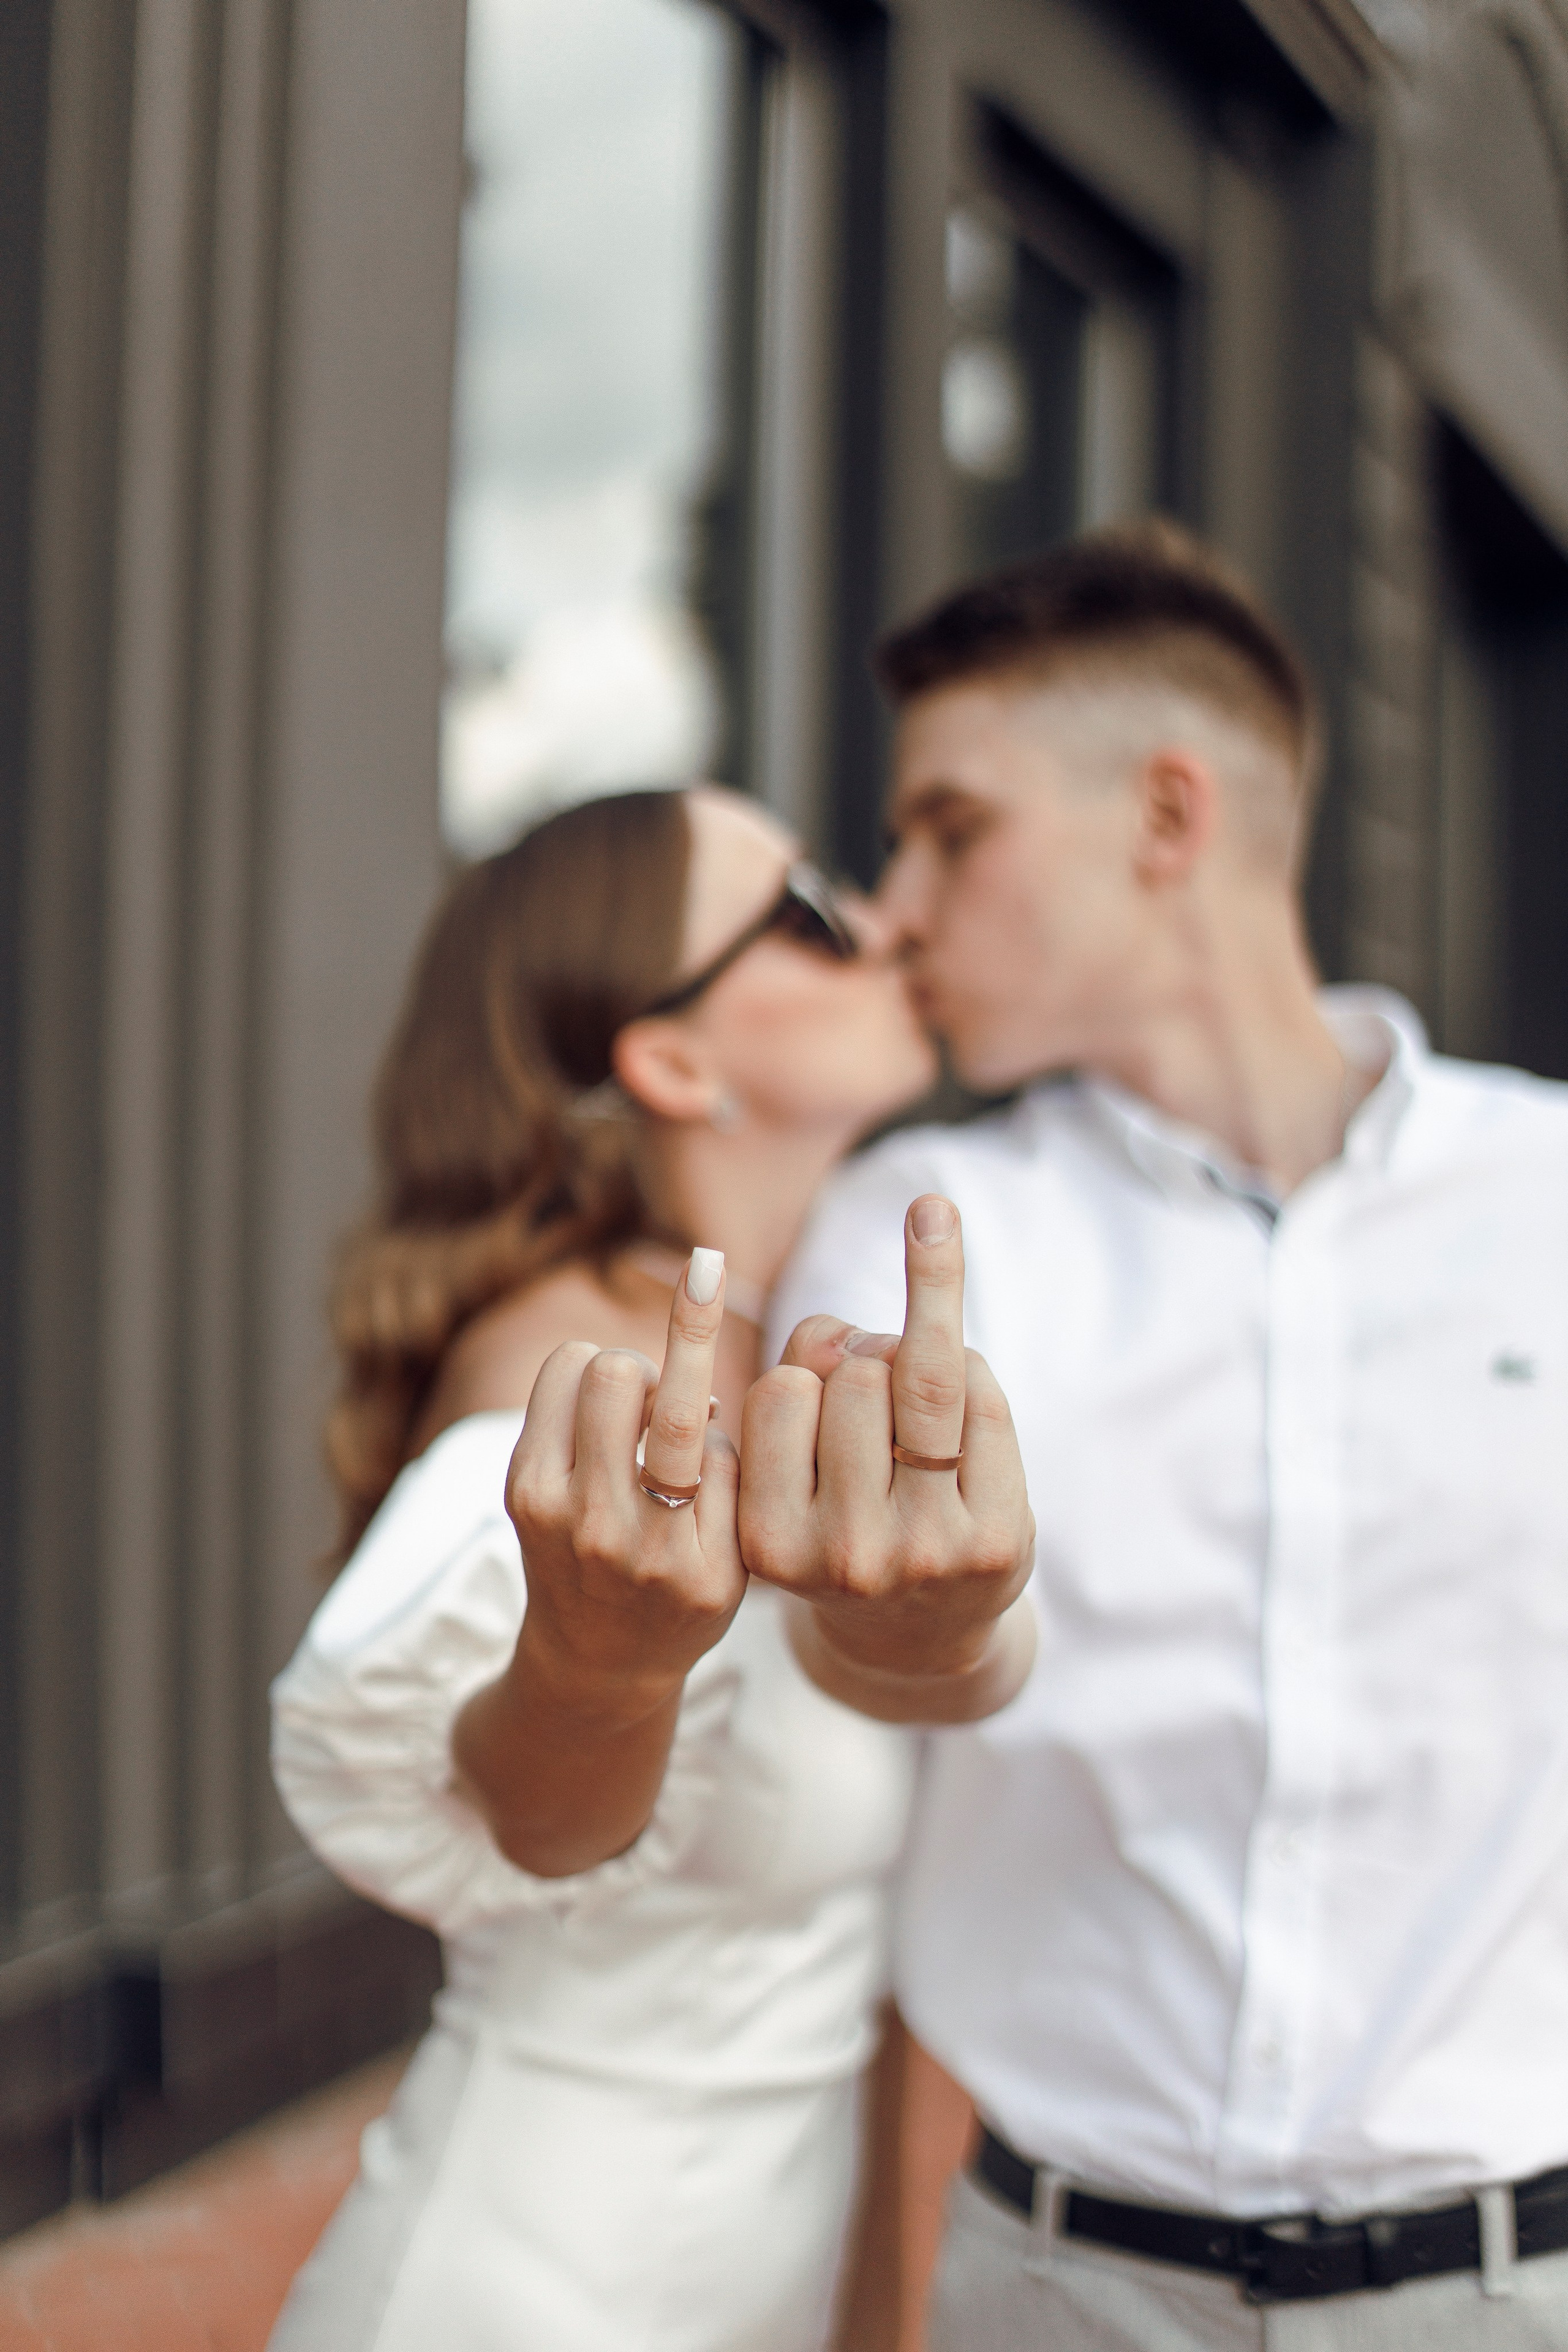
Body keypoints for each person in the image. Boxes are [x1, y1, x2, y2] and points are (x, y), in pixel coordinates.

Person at [769, 520, 1568, 2351]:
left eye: (951, 828)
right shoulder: (910, 1228)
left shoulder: (1556, 1201)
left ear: (1169, 817)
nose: (895, 906)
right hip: (1057, 2291)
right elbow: (856, 1680)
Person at [267, 783, 1034, 2352]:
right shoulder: (572, 1381)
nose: (886, 922)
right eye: (814, 908)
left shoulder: (798, 1338)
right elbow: (518, 1813)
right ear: (671, 1059)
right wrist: (598, 1666)